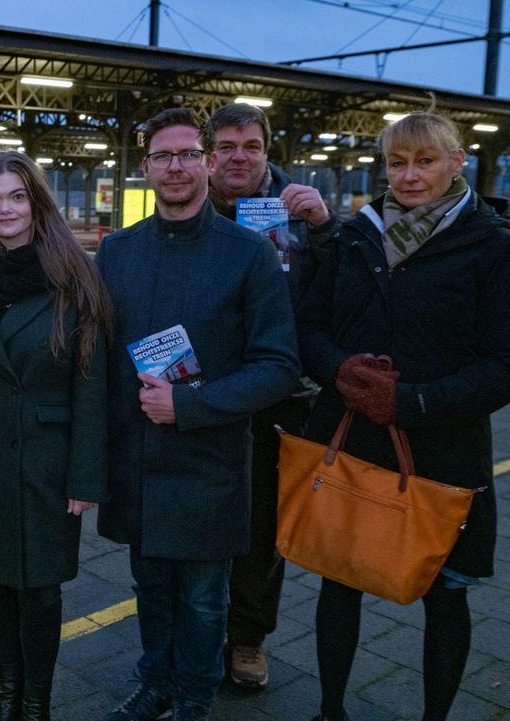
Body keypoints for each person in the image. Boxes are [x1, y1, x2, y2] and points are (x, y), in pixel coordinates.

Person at [297, 111, 510, 721]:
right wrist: (339, 371)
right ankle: (330, 710)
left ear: (457, 163)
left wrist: (415, 402)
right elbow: (311, 327)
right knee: (339, 580)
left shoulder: (493, 246)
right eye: (397, 163)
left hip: (443, 454)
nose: (408, 176)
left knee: (446, 592)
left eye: (425, 162)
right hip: (353, 444)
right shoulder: (357, 237)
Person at [94, 107, 301, 721]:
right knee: (151, 587)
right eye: (163, 156)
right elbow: (97, 356)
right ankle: (155, 682)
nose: (176, 167)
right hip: (139, 457)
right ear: (147, 167)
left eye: (188, 154)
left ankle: (194, 697)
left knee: (205, 598)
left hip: (211, 457)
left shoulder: (249, 253)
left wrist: (188, 404)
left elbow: (278, 366)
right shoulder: (117, 252)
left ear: (208, 163)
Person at [0, 151, 110, 721]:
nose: (3, 210)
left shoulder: (74, 277)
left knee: (39, 588)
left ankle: (36, 701)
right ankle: (7, 690)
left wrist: (85, 475)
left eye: (16, 197)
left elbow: (91, 384)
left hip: (46, 460)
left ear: (37, 203)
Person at [204, 101, 338, 688]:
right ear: (210, 156)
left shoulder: (300, 215)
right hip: (204, 390)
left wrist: (326, 227)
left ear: (267, 151)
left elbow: (344, 293)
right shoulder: (186, 205)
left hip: (280, 397)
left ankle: (248, 638)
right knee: (201, 518)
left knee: (263, 527)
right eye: (227, 147)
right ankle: (197, 630)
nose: (240, 158)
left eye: (251, 147)